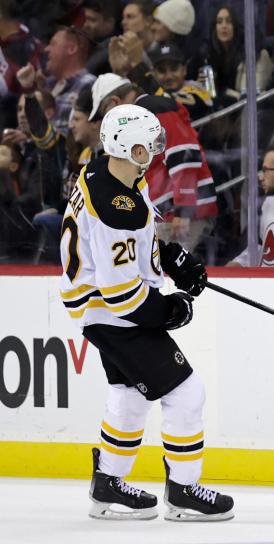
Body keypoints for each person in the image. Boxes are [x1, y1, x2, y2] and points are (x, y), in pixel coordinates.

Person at [59, 103, 233, 521]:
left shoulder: (106, 174)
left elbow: (138, 239)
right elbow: (123, 294)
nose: (154, 150)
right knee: (186, 392)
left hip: (98, 311)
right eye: (146, 145)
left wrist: (171, 257)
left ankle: (108, 487)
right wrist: (169, 310)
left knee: (129, 394)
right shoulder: (115, 206)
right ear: (125, 145)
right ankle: (185, 492)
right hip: (114, 314)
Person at [91, 72, 219, 250]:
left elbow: (184, 157)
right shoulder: (144, 114)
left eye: (104, 115)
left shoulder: (154, 109)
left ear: (115, 102)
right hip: (169, 216)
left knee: (169, 274)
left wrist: (184, 211)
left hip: (181, 216)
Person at [16, 26, 96, 137]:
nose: (46, 49)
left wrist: (30, 138)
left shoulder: (89, 85)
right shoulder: (46, 85)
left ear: (71, 49)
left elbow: (72, 135)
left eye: (53, 44)